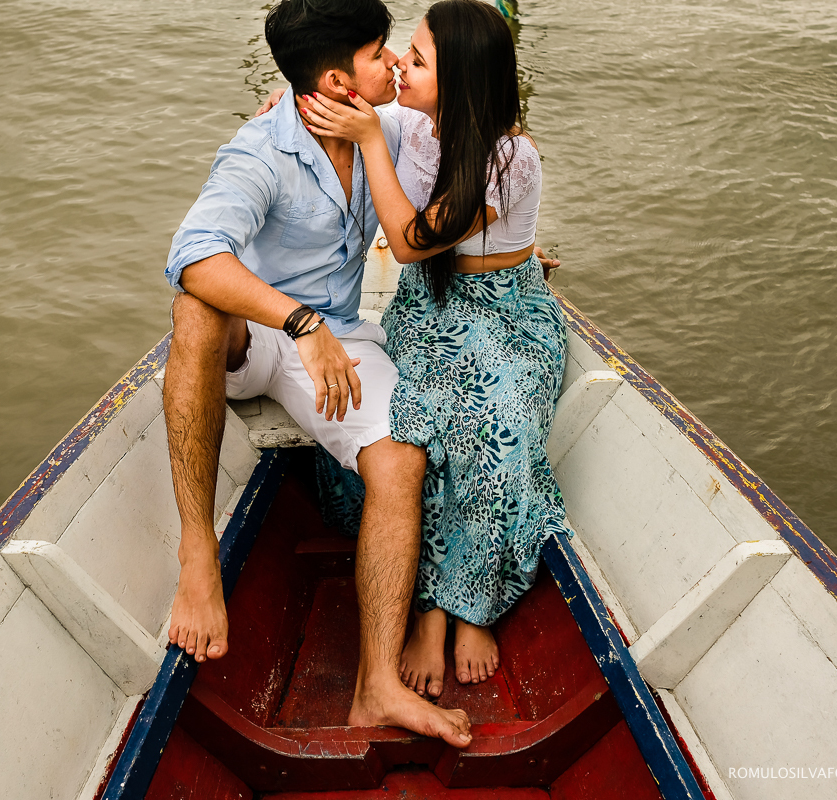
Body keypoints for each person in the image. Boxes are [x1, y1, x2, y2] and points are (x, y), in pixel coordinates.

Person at [162, 0, 471, 747]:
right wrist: (298, 324)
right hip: (262, 336)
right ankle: (198, 551)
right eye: (379, 52)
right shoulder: (259, 149)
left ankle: (377, 685)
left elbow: (482, 140)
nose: (396, 62)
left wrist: (511, 253)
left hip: (340, 336)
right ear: (338, 79)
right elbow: (192, 255)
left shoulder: (386, 127)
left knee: (400, 458)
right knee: (195, 308)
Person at [298, 0, 570, 701]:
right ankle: (427, 604)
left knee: (501, 427)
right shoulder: (414, 123)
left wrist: (368, 142)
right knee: (421, 421)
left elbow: (414, 240)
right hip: (433, 309)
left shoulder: (510, 158)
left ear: (463, 83)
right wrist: (290, 98)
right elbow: (342, 98)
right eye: (405, 54)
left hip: (507, 313)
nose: (401, 67)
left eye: (417, 61)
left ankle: (468, 605)